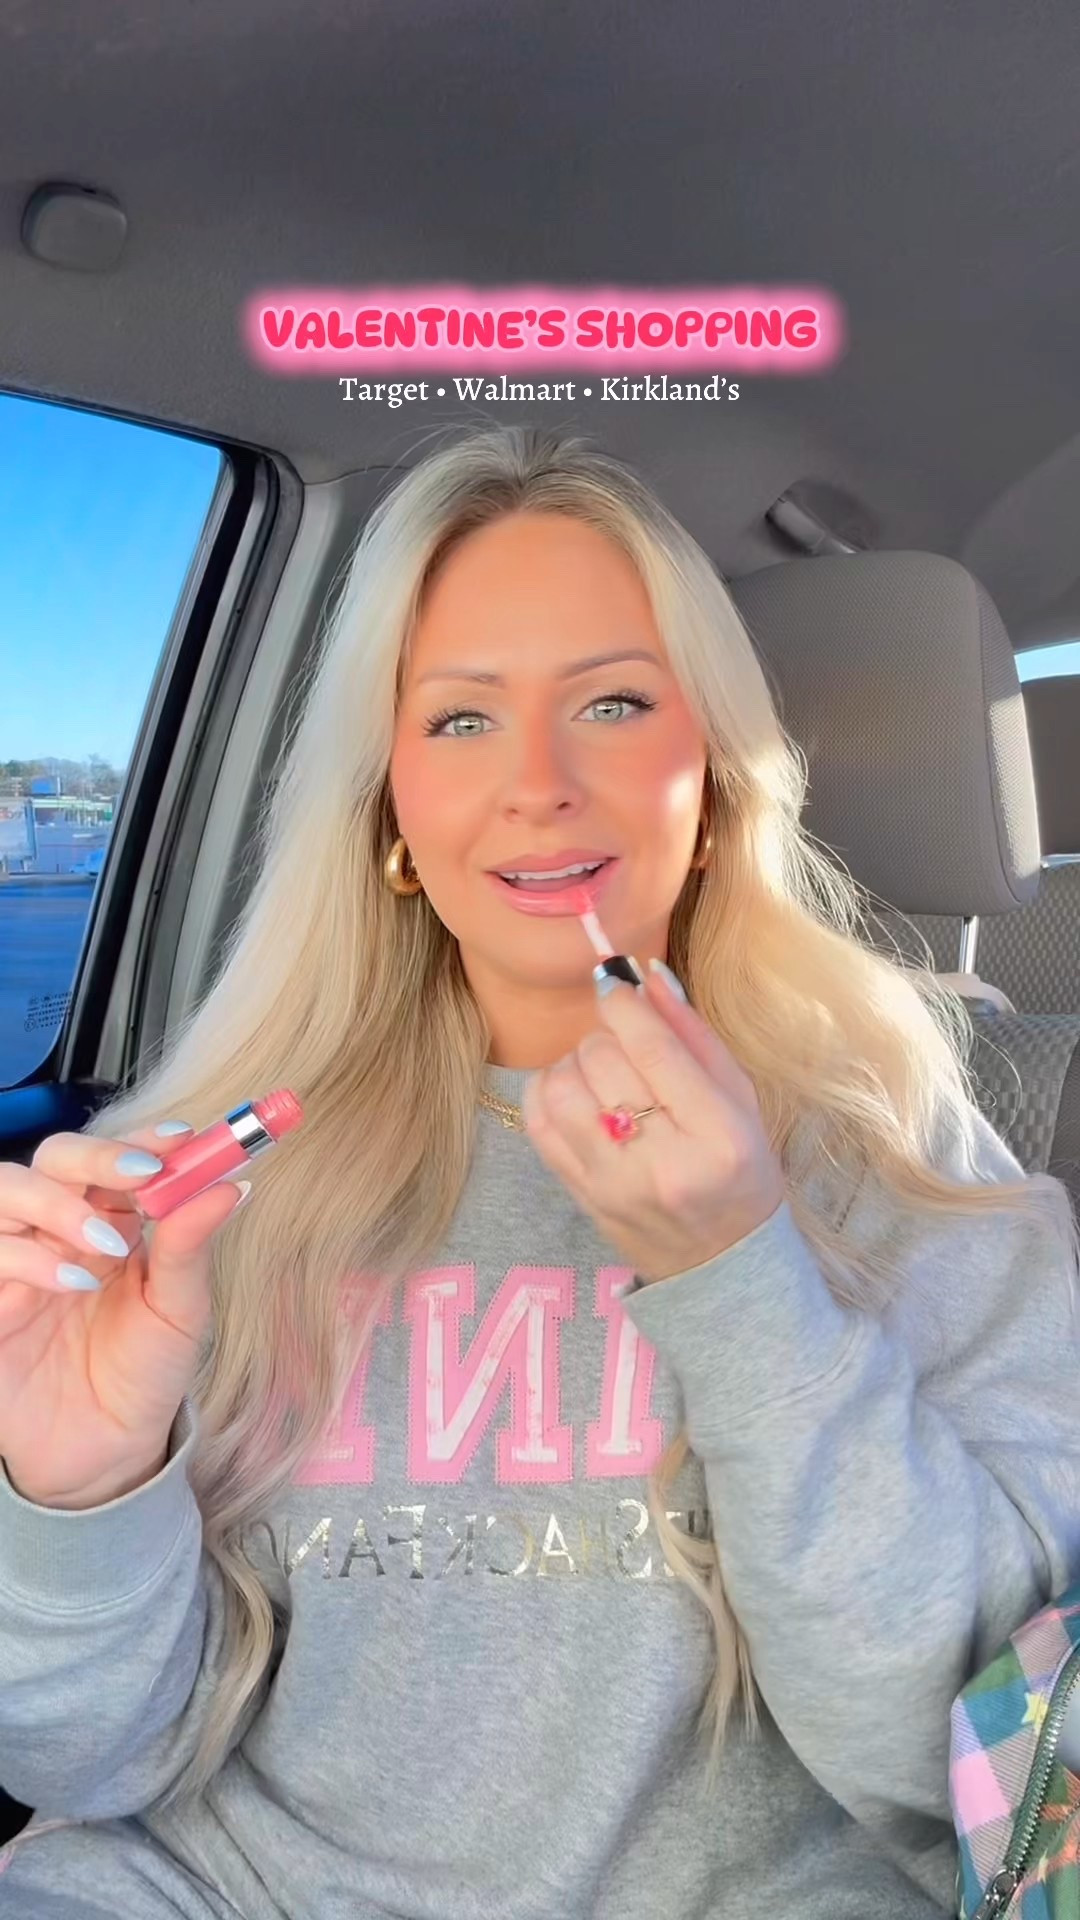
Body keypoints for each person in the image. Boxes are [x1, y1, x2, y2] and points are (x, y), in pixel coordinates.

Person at [0, 423, 1078, 1920]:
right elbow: (90, 1763)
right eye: (459, 720)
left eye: (614, 703)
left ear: (716, 779)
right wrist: (78, 1488)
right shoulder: (204, 1180)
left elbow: (973, 1794)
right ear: (392, 811)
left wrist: (745, 1281)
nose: (539, 785)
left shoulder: (912, 1154)